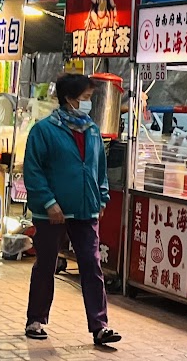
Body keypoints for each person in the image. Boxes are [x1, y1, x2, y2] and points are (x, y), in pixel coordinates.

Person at [21, 73, 120, 345]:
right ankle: (35, 320)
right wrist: (49, 203)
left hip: (86, 210)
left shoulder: (92, 130)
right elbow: (33, 170)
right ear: (69, 98)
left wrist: (101, 199)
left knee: (92, 265)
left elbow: (99, 170)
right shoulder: (43, 131)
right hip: (51, 213)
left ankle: (100, 326)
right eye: (86, 98)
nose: (89, 103)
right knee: (46, 265)